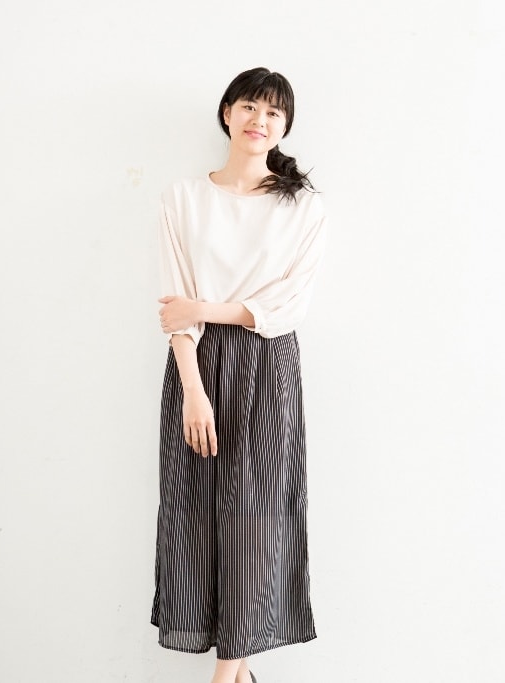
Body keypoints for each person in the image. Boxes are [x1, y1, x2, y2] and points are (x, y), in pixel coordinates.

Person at [150, 67, 327, 683]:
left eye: (274, 112)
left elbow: (287, 307)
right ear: (227, 112)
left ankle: (227, 675)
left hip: (269, 364)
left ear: (285, 127)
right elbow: (174, 305)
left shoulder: (302, 206)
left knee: (256, 514)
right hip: (196, 365)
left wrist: (206, 308)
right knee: (197, 510)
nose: (260, 120)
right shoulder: (183, 197)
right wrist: (193, 389)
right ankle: (239, 675)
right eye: (250, 106)